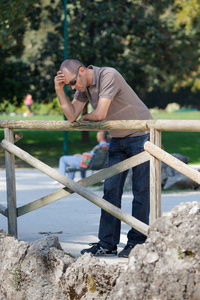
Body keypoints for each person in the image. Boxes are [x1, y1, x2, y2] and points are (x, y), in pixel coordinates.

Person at [54, 59, 153, 258]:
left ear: (82, 71)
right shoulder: (83, 86)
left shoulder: (109, 75)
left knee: (140, 192)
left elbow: (99, 114)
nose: (73, 87)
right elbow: (71, 115)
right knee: (110, 192)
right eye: (69, 86)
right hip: (117, 138)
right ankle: (107, 243)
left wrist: (85, 118)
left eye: (73, 82)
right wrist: (59, 90)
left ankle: (137, 242)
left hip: (142, 136)